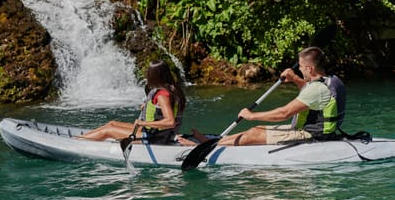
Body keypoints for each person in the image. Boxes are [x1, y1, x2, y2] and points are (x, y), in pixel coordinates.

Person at [177, 46, 345, 146]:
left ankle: (205, 146)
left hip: (311, 135)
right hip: (314, 130)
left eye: (301, 67)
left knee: (253, 135)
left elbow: (284, 114)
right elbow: (312, 97)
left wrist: (251, 115)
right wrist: (295, 79)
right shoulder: (332, 80)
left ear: (310, 69)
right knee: (256, 130)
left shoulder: (317, 89)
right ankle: (212, 141)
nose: (299, 69)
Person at [80, 60, 186, 144]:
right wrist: (148, 106)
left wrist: (143, 122)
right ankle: (80, 138)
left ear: (154, 75)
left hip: (154, 137)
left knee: (109, 130)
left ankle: (76, 143)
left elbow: (170, 122)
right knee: (112, 123)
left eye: (148, 72)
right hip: (154, 133)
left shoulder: (163, 95)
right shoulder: (173, 89)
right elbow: (164, 109)